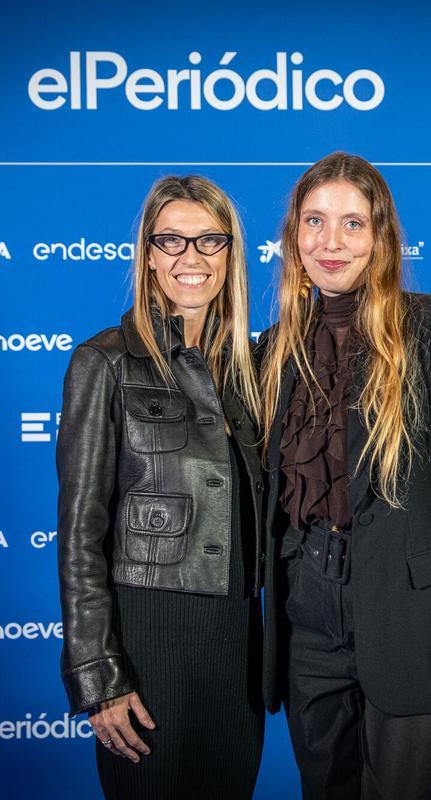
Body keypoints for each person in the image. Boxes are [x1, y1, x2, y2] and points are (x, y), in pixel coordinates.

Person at [257, 152, 431, 799]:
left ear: (382, 237)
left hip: (410, 620)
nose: (330, 242)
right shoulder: (272, 349)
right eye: (315, 221)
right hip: (307, 615)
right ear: (294, 236)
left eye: (352, 224)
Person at [56, 175, 265, 799]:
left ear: (230, 255)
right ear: (147, 254)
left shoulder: (252, 369)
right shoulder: (105, 361)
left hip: (236, 641)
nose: (190, 258)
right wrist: (98, 675)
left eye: (209, 240)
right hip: (147, 639)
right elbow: (79, 534)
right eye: (171, 241)